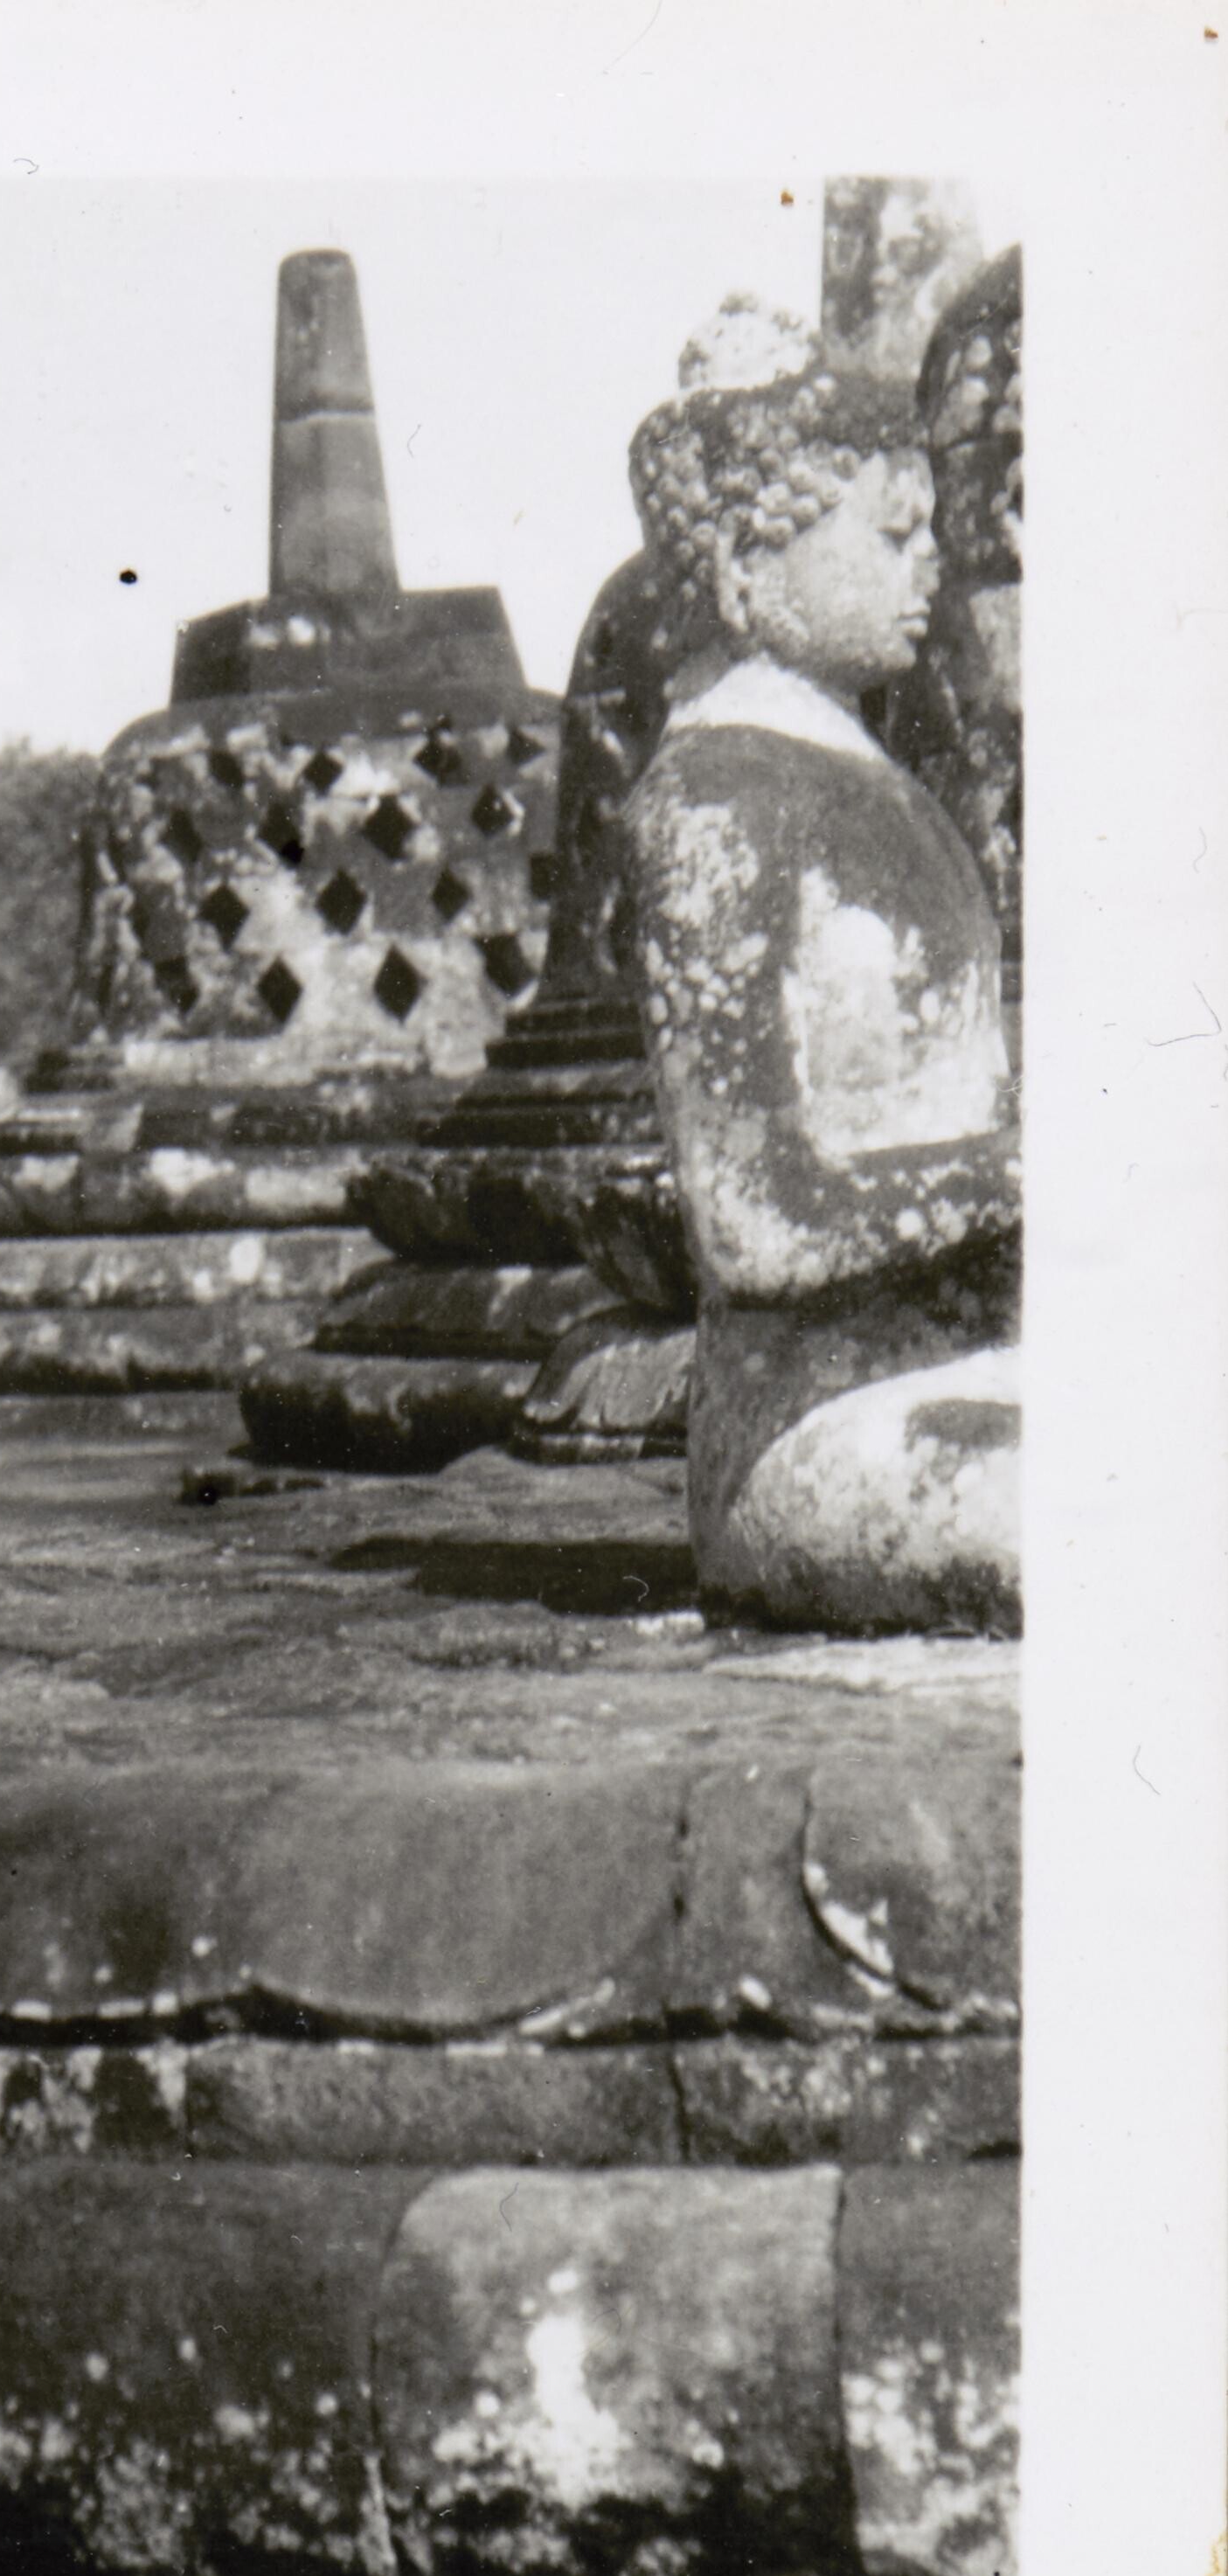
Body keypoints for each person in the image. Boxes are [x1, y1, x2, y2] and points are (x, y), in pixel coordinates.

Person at [619, 300, 1019, 1634]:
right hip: (818, 1429)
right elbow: (754, 1223)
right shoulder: (711, 803)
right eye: (890, 536)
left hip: (977, 1367)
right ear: (750, 557)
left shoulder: (895, 794)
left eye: (929, 530)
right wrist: (1018, 1176)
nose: (931, 564)